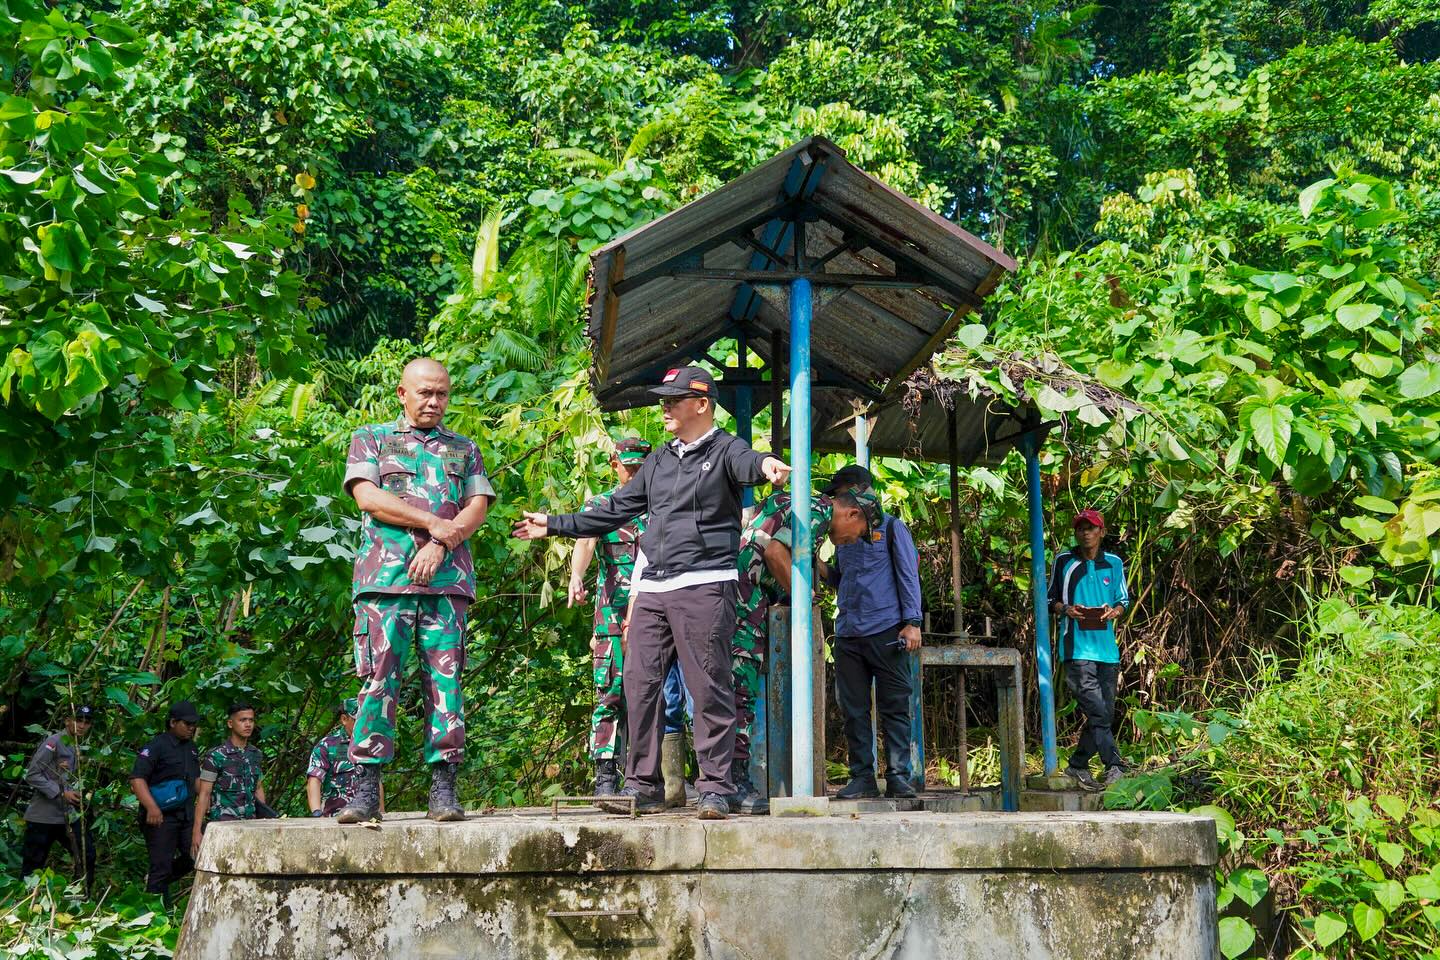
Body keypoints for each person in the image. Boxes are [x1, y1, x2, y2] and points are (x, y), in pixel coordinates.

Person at [515, 365, 789, 819]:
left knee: (709, 688)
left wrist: (766, 464)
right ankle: (641, 785)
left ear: (701, 404)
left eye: (674, 399)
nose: (664, 406)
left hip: (703, 586)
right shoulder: (660, 459)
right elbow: (616, 510)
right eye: (663, 399)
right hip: (652, 590)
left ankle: (716, 788)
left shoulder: (725, 449)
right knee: (639, 686)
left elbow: (749, 462)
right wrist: (554, 525)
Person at [340, 357, 496, 823]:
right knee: (377, 681)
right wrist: (433, 525)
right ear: (401, 393)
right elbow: (368, 497)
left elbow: (477, 506)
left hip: (446, 586)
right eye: (425, 393)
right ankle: (366, 789)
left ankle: (444, 788)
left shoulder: (464, 448)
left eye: (442, 393)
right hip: (385, 584)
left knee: (446, 684)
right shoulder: (373, 439)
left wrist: (441, 544)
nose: (433, 401)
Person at [728, 489, 878, 813]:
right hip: (745, 600)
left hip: (735, 594)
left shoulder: (805, 504)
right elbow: (775, 553)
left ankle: (730, 780)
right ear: (852, 514)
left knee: (733, 691)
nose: (854, 541)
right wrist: (804, 595)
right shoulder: (818, 512)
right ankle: (733, 783)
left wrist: (823, 573)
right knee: (739, 691)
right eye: (860, 534)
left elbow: (791, 546)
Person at [817, 465, 924, 800]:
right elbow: (840, 579)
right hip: (849, 631)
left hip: (887, 630)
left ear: (858, 491)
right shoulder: (842, 533)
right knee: (853, 709)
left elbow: (908, 575)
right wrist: (818, 567)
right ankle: (862, 777)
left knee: (894, 706)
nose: (833, 499)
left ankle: (898, 776)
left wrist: (913, 622)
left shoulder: (892, 529)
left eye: (839, 492)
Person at [566, 437, 652, 797]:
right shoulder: (602, 505)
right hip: (612, 617)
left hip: (654, 613)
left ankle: (646, 778)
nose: (631, 475)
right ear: (613, 464)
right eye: (626, 467)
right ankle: (605, 775)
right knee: (610, 693)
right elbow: (585, 541)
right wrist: (575, 575)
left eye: (639, 468)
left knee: (652, 697)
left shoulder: (663, 505)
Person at [1048, 508, 1131, 791]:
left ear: (1101, 532)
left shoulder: (1114, 563)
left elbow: (1123, 601)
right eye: (1081, 528)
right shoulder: (1064, 562)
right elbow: (1050, 600)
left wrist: (1114, 612)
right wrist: (1067, 609)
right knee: (1097, 711)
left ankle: (1077, 766)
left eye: (1091, 528)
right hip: (1077, 648)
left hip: (1107, 650)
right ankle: (1115, 765)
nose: (1085, 532)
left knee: (1104, 713)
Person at [130, 701, 202, 903]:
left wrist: (208, 800)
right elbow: (137, 779)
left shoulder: (192, 749)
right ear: (173, 722)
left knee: (196, 856)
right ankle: (153, 915)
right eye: (187, 724)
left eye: (193, 724)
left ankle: (156, 884)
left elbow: (196, 780)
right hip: (161, 818)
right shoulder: (157, 746)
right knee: (160, 865)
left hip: (186, 816)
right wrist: (152, 807)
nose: (191, 728)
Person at [21, 704, 97, 890]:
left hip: (68, 815)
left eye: (86, 722)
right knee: (33, 865)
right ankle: (24, 902)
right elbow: (32, 774)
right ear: (67, 721)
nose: (82, 725)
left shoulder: (79, 746)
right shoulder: (54, 742)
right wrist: (61, 792)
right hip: (44, 816)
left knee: (87, 854)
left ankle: (80, 895)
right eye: (78, 720)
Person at [191, 702, 266, 857]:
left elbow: (258, 787)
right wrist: (196, 831)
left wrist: (264, 820)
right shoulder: (216, 755)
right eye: (243, 720)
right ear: (230, 723)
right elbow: (204, 794)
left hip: (251, 825)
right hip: (223, 825)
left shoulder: (255, 754)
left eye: (251, 720)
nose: (248, 724)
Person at [306, 698, 384, 817]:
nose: (363, 724)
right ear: (344, 719)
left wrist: (381, 811)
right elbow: (314, 780)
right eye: (357, 720)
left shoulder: (370, 745)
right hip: (334, 817)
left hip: (365, 816)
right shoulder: (326, 746)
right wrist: (317, 813)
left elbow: (375, 782)